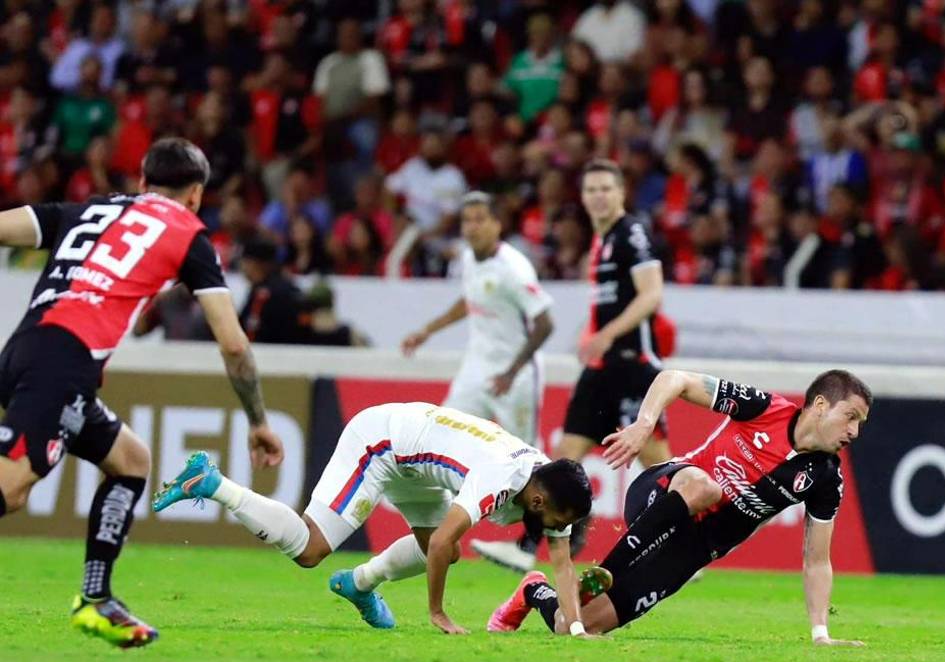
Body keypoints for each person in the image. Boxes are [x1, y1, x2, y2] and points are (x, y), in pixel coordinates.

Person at [0, 137, 285, 648]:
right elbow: (234, 345)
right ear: (196, 195)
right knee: (10, 489)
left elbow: (4, 227)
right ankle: (94, 601)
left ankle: (95, 599)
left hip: (25, 346)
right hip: (64, 362)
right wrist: (259, 419)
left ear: (141, 183)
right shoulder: (189, 234)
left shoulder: (89, 209)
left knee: (130, 459)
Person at [487, 369, 871, 649]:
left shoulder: (825, 479)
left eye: (861, 424)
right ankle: (607, 570)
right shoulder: (764, 408)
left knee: (572, 625)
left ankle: (534, 590)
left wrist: (821, 635)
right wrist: (643, 424)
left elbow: (817, 559)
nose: (854, 432)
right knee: (707, 487)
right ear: (820, 405)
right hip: (667, 489)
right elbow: (676, 379)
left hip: (693, 550)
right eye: (850, 416)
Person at [153, 403, 598, 637]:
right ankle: (212, 483)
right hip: (381, 444)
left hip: (418, 458)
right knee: (311, 549)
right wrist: (438, 613)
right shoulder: (501, 477)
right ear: (538, 500)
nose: (565, 529)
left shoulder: (545, 482)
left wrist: (576, 629)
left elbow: (562, 564)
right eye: (563, 519)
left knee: (442, 552)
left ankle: (360, 584)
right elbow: (443, 540)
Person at [473, 159, 672, 572]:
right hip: (603, 367)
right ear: (582, 197)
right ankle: (527, 546)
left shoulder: (630, 232)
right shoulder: (601, 242)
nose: (598, 196)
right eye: (591, 189)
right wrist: (592, 334)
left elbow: (651, 294)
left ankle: (690, 538)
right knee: (565, 457)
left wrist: (607, 333)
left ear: (620, 193)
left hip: (632, 364)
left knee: (657, 462)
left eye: (606, 189)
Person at [400, 192, 553, 447]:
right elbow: (471, 300)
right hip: (477, 367)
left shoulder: (514, 269)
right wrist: (426, 331)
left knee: (524, 455)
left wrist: (510, 373)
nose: (472, 227)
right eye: (467, 220)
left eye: (480, 219)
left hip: (516, 375)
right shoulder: (469, 258)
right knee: (443, 436)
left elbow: (545, 323)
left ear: (497, 224)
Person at [238, 238, 306, 344]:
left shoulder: (264, 294)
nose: (243, 267)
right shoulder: (289, 287)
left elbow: (251, 332)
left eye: (246, 262)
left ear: (259, 264)